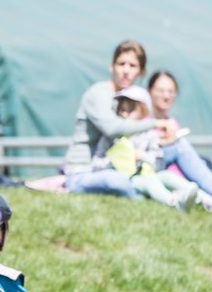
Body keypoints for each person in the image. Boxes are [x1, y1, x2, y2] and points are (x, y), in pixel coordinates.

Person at [64, 40, 177, 198]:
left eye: (132, 66)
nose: (126, 70)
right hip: (85, 170)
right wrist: (155, 124)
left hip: (122, 166)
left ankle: (206, 194)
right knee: (119, 182)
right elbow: (112, 129)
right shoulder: (99, 93)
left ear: (141, 72)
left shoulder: (131, 98)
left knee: (178, 147)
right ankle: (160, 198)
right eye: (121, 64)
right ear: (112, 66)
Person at [99, 86, 200, 212]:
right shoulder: (112, 136)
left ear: (142, 111)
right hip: (130, 179)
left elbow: (157, 162)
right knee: (149, 183)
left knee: (166, 176)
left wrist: (143, 157)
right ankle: (173, 202)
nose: (124, 113)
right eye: (120, 109)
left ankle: (201, 198)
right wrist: (116, 161)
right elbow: (99, 160)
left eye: (130, 109)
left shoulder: (149, 135)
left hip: (149, 173)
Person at [149, 70, 212, 201]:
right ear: (150, 91)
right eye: (161, 90)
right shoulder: (143, 120)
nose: (166, 96)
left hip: (177, 174)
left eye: (171, 91)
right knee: (180, 146)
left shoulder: (172, 122)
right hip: (154, 167)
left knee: (205, 160)